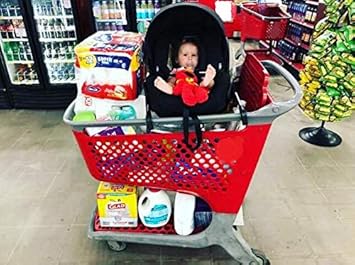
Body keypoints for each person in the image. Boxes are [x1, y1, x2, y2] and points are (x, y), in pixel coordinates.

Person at [154, 38, 216, 107]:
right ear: (177, 59)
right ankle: (170, 89)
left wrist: (206, 81)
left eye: (193, 55)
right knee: (172, 80)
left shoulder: (198, 72)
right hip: (180, 87)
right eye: (185, 55)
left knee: (210, 83)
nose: (190, 58)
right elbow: (171, 79)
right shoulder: (176, 72)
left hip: (196, 87)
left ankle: (206, 82)